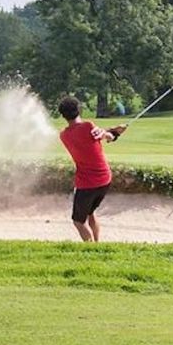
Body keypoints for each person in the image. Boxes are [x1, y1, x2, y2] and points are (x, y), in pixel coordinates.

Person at [57, 96, 127, 242]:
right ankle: (97, 242)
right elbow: (106, 136)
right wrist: (115, 132)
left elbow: (92, 135)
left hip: (87, 184)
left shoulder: (63, 135)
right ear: (79, 110)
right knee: (91, 213)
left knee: (78, 221)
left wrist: (110, 132)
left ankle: (91, 249)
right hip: (105, 179)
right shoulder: (89, 126)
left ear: (63, 115)